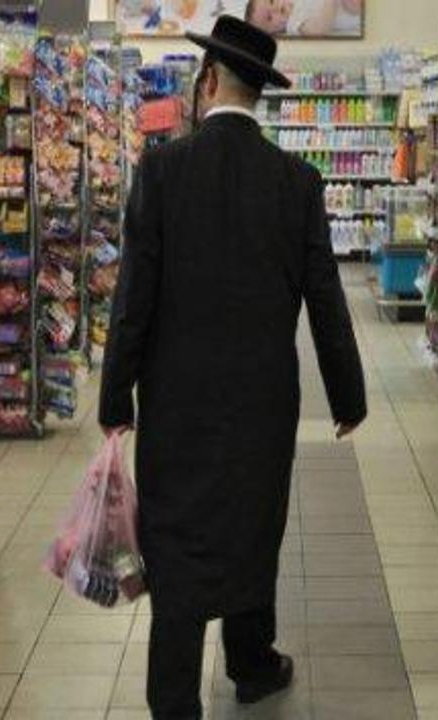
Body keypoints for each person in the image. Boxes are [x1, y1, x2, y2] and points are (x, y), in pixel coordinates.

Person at [98, 15, 366, 720]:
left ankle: (174, 700)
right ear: (257, 91)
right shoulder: (296, 182)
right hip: (263, 402)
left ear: (208, 79)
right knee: (253, 523)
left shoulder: (161, 172)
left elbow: (133, 299)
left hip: (175, 400)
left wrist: (115, 398)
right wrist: (348, 396)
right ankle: (252, 663)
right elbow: (326, 300)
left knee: (178, 536)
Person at [245, 0, 363, 37]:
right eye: (269, 17)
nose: (275, 8)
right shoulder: (292, 23)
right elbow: (318, 29)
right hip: (348, 12)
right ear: (273, 32)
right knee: (352, 5)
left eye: (271, 1)